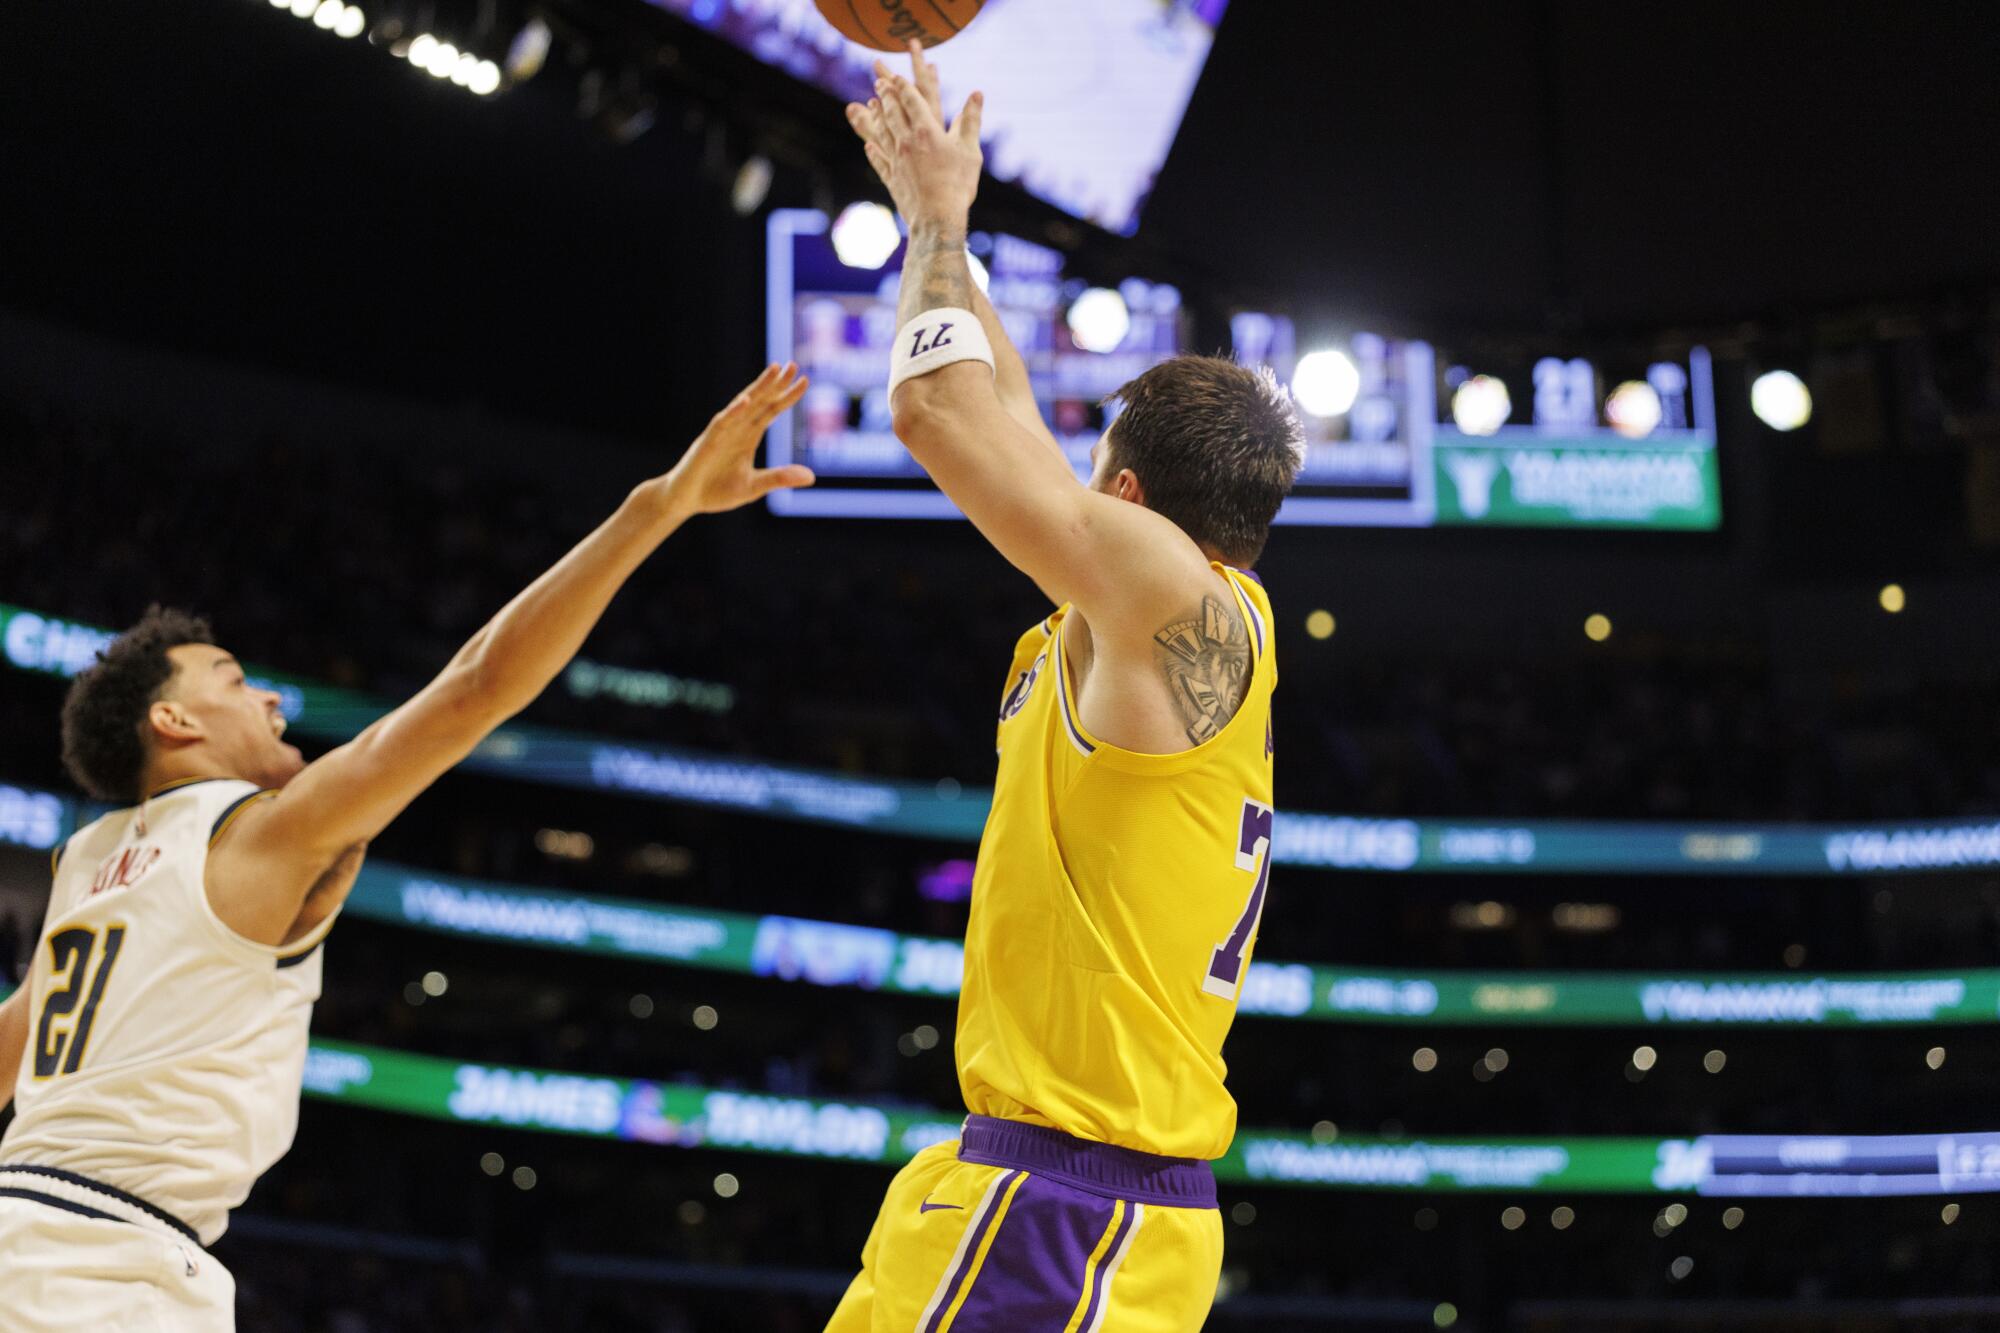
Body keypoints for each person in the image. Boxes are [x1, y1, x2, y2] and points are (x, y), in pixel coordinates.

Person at [0, 365, 815, 1330]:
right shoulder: (267, 828)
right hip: (106, 1274)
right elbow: (477, 687)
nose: (268, 695)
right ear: (172, 719)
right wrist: (657, 505)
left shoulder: (89, 862)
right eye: (233, 678)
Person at [828, 47, 1304, 1332]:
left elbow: (940, 416)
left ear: (1131, 498)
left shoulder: (1171, 598)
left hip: (1070, 1203)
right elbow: (1014, 425)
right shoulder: (1155, 608)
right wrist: (954, 222)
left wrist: (928, 223)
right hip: (1034, 1179)